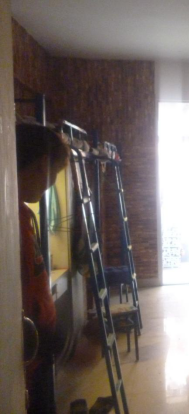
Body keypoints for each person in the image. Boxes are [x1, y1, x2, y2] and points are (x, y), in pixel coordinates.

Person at [16, 123, 70, 414]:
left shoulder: (21, 214)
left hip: (36, 353)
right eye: (54, 174)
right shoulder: (11, 220)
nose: (50, 184)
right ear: (42, 164)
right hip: (26, 361)